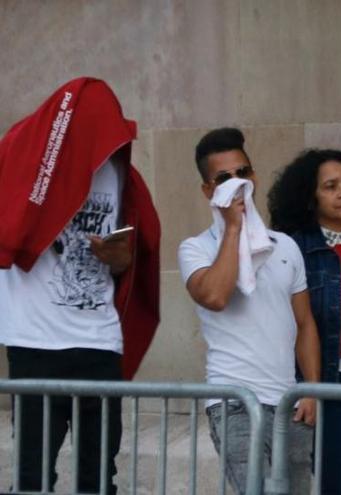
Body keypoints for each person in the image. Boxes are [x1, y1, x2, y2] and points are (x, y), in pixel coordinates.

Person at [0, 77, 161, 493]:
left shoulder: (119, 172)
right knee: (33, 475)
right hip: (36, 342)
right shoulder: (25, 154)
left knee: (99, 475)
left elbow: (133, 256)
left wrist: (120, 257)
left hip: (98, 341)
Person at [178, 128, 320, 494]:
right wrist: (232, 228)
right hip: (235, 404)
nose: (237, 184)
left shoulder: (284, 245)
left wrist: (312, 391)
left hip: (290, 404)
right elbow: (215, 296)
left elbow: (304, 324)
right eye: (224, 179)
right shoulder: (195, 248)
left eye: (244, 173)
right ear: (209, 192)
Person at [268, 148, 341, 495]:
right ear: (310, 196)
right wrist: (306, 388)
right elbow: (291, 324)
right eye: (330, 186)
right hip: (331, 382)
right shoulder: (295, 248)